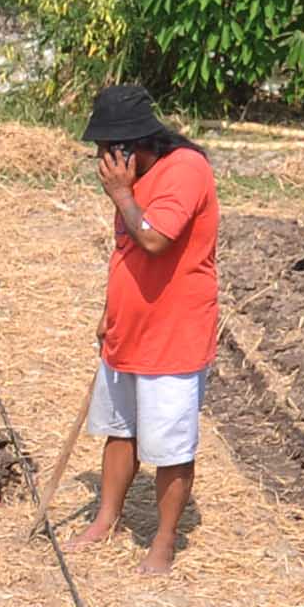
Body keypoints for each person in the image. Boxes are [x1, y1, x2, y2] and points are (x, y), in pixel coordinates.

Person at [60, 80, 218, 578]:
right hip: (128, 328)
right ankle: (105, 519)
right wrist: (110, 311)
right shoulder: (134, 180)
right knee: (119, 429)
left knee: (170, 446)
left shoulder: (185, 171)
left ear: (133, 146)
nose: (101, 161)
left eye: (107, 150)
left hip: (173, 334)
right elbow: (127, 251)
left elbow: (153, 240)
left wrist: (122, 194)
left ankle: (164, 541)